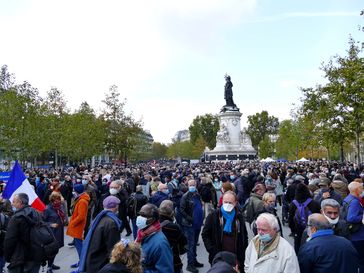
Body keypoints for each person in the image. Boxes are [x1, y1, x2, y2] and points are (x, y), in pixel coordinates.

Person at [202, 191, 248, 271]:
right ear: (222, 201)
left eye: (230, 202)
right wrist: (211, 250)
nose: (227, 204)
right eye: (225, 202)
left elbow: (244, 235)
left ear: (235, 203)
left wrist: (244, 251)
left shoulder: (239, 217)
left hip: (236, 257)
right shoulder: (214, 216)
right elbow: (205, 234)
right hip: (218, 256)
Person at [78, 196, 122, 273]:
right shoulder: (111, 223)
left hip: (92, 260)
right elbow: (113, 248)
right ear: (116, 207)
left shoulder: (99, 218)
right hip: (101, 263)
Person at [4, 193, 42, 273]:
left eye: (13, 201)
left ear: (20, 202)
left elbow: (9, 240)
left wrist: (7, 256)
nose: (12, 204)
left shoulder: (16, 218)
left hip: (20, 258)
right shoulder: (36, 213)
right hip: (36, 255)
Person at [135, 203, 173, 273]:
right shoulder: (141, 232)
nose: (140, 217)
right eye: (140, 214)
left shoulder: (161, 244)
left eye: (144, 215)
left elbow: (166, 270)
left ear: (153, 219)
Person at [288, 183, 320, 253]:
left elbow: (290, 219)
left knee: (298, 246)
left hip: (298, 229)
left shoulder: (293, 204)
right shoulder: (314, 203)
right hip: (312, 228)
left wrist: (293, 230)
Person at [180, 179, 204, 273]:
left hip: (197, 224)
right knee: (191, 245)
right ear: (188, 185)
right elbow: (181, 210)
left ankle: (194, 261)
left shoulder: (197, 194)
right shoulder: (185, 196)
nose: (192, 186)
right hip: (190, 224)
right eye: (190, 185)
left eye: (194, 184)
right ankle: (189, 265)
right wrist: (190, 218)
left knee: (194, 245)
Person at [159, 200, 187, 273]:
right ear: (172, 212)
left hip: (158, 261)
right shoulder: (173, 227)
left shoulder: (153, 223)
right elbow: (183, 242)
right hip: (173, 260)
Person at [66, 184, 90, 270]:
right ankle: (81, 262)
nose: (73, 192)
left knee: (80, 247)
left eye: (74, 190)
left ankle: (82, 263)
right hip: (78, 227)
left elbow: (81, 216)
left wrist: (72, 223)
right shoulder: (81, 199)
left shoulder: (82, 201)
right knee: (78, 245)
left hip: (78, 227)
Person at [42, 192, 67, 273]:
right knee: (52, 250)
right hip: (51, 233)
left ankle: (51, 264)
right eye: (56, 200)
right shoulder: (47, 209)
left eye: (59, 199)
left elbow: (63, 215)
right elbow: (41, 222)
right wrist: (51, 224)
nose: (58, 201)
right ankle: (49, 267)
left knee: (56, 249)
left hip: (59, 231)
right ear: (52, 200)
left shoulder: (60, 207)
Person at [343, 181, 364, 272]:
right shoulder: (355, 202)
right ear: (356, 190)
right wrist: (362, 217)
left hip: (352, 234)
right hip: (358, 235)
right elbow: (351, 218)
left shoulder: (348, 198)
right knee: (361, 260)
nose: (362, 190)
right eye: (361, 188)